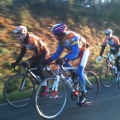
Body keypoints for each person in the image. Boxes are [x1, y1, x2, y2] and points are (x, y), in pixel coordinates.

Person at [45, 23, 90, 106]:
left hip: (83, 51)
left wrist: (64, 59)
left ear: (60, 34)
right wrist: (48, 60)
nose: (54, 37)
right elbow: (58, 52)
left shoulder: (73, 37)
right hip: (75, 51)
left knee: (80, 71)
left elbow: (76, 53)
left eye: (55, 35)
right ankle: (74, 75)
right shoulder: (61, 40)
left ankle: (84, 95)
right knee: (64, 62)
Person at [11, 25, 50, 97]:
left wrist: (27, 61)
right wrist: (16, 63)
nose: (17, 38)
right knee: (32, 68)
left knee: (38, 67)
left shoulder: (31, 39)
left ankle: (45, 88)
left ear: (24, 34)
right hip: (38, 54)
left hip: (44, 53)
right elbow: (22, 53)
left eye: (18, 36)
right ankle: (42, 81)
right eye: (16, 36)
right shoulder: (23, 41)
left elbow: (38, 53)